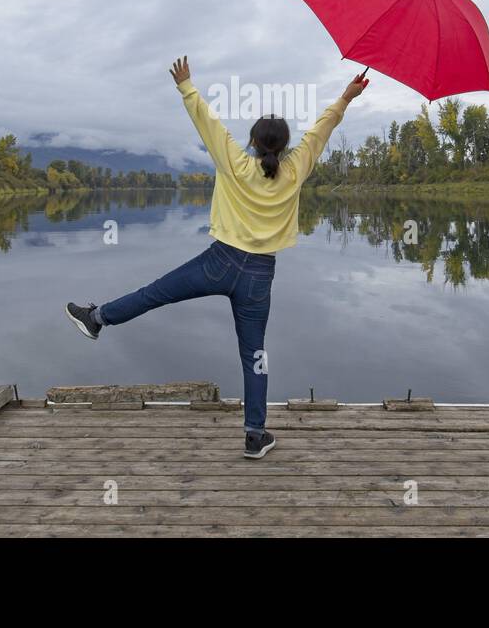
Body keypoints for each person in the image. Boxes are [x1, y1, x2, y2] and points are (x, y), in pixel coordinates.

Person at [67, 56, 368, 459]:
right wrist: (346, 97)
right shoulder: (297, 167)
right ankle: (254, 435)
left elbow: (207, 124)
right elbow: (323, 128)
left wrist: (187, 86)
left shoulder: (236, 163)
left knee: (156, 292)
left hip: (220, 262)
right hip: (260, 274)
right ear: (284, 145)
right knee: (255, 353)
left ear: (254, 141)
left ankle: (97, 318)